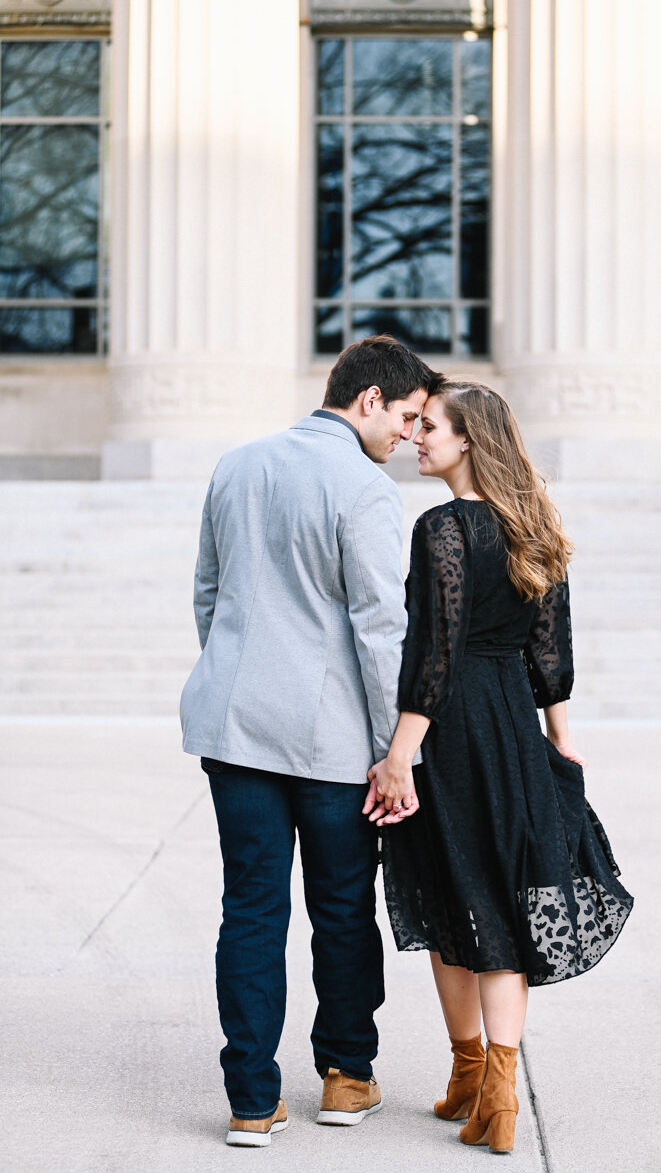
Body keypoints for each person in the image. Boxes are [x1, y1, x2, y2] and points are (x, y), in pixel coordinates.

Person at [180, 335, 442, 1147]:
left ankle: (252, 1101)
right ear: (368, 399)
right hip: (333, 743)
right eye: (403, 417)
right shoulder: (363, 489)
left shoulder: (237, 463)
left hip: (235, 728)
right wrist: (393, 752)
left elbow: (208, 594)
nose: (406, 435)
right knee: (340, 908)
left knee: (250, 910)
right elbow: (379, 627)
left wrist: (235, 676)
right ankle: (346, 1075)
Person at [364, 381, 633, 1155]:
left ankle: (472, 1070)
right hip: (514, 724)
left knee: (453, 898)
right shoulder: (533, 522)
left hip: (451, 730)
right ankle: (494, 1092)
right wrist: (559, 734)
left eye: (432, 428)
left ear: (469, 441)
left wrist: (398, 756)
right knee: (502, 901)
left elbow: (434, 655)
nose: (419, 437)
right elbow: (552, 648)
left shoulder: (444, 528)